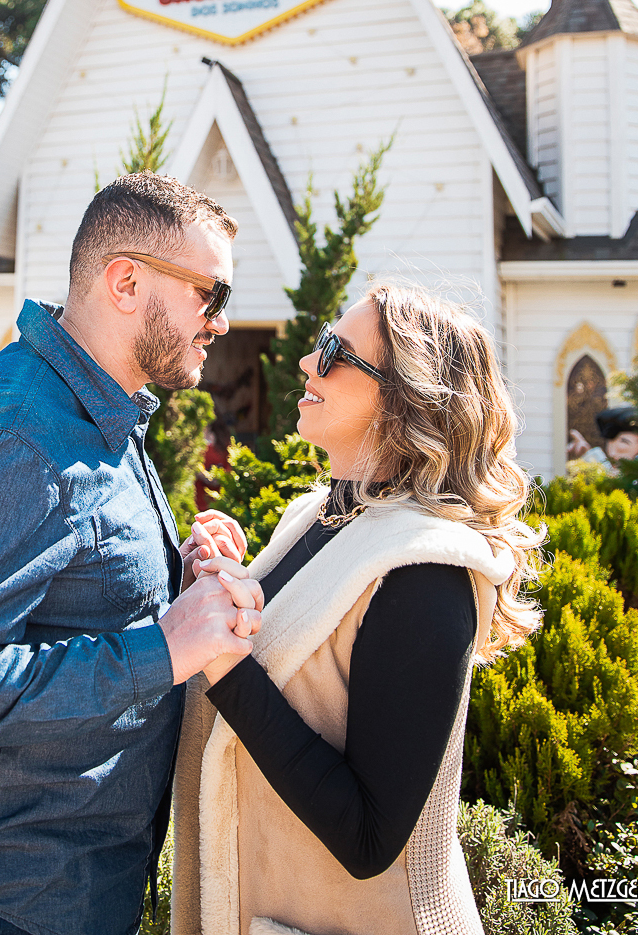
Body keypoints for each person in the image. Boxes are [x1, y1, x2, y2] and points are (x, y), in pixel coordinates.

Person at [0, 172, 262, 935]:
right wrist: (163, 650)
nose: (218, 322)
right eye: (210, 295)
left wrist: (171, 582)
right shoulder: (16, 434)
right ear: (125, 282)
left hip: (61, 895)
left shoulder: (100, 411)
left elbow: (65, 594)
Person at [172, 282, 545, 935]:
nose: (306, 364)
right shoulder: (314, 514)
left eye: (333, 352)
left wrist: (228, 664)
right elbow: (284, 669)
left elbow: (371, 838)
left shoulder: (426, 569)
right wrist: (212, 582)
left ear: (405, 400)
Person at [567, 406, 638, 477]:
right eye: (610, 442)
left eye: (624, 442)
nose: (612, 452)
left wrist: (591, 457)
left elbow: (619, 487)